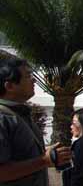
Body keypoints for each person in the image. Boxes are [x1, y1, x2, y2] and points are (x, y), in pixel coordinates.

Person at [0, 57, 71, 186]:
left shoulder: (19, 114)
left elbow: (19, 153)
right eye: (28, 76)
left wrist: (46, 151)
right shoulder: (3, 117)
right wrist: (44, 160)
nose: (34, 80)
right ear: (9, 86)